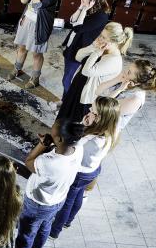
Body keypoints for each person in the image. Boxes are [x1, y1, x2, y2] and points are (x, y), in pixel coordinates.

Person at [5, 119, 84, 248]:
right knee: (45, 226)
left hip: (37, 204)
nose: (50, 131)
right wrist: (53, 144)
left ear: (60, 139)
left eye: (53, 131)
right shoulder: (78, 147)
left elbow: (28, 162)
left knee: (25, 235)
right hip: (58, 199)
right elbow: (61, 149)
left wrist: (42, 145)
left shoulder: (48, 162)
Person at [50, 97, 120, 239]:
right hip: (93, 170)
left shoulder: (91, 140)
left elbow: (73, 147)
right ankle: (68, 221)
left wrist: (82, 125)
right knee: (78, 195)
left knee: (67, 201)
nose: (88, 110)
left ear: (99, 118)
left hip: (80, 172)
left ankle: (54, 231)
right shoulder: (112, 130)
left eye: (92, 110)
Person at [57, 22, 133, 123]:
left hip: (87, 98)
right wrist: (93, 47)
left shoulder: (113, 60)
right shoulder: (101, 48)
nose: (100, 39)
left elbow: (86, 71)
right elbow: (78, 57)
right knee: (62, 119)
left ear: (114, 42)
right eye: (100, 35)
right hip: (77, 87)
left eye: (104, 37)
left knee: (70, 125)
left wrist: (96, 52)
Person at [7, 0, 59, 89]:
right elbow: (23, 0)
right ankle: (17, 68)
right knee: (21, 48)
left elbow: (36, 4)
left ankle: (35, 78)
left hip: (39, 25)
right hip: (26, 21)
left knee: (36, 53)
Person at [57, 0, 110, 101]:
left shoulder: (101, 15)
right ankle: (64, 101)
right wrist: (81, 7)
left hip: (81, 50)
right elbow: (71, 21)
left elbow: (78, 28)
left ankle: (67, 103)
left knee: (67, 79)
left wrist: (84, 9)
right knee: (67, 77)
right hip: (73, 45)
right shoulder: (89, 8)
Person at [96, 59, 156, 131]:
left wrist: (119, 90)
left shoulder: (135, 99)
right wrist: (117, 79)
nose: (125, 71)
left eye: (129, 72)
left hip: (102, 130)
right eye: (128, 68)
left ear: (137, 83)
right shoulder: (125, 80)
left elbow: (101, 107)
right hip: (94, 117)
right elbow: (97, 91)